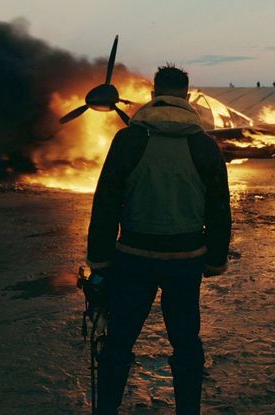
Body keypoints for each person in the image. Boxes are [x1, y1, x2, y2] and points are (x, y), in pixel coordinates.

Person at [86, 64, 232, 415]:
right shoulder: (205, 145)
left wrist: (101, 262)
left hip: (133, 258)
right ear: (186, 95)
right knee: (186, 343)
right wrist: (215, 260)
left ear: (153, 94)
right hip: (187, 261)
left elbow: (106, 202)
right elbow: (219, 208)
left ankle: (105, 410)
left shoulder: (128, 139)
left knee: (118, 341)